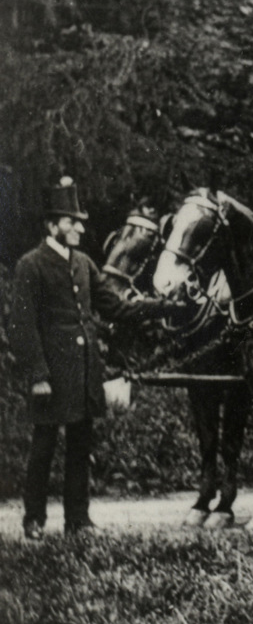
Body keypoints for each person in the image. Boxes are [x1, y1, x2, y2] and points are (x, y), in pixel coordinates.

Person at [9, 178, 174, 539]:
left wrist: (165, 306)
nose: (80, 228)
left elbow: (114, 306)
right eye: (72, 221)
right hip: (51, 375)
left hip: (84, 374)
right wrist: (38, 374)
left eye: (81, 221)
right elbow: (22, 326)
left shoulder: (83, 263)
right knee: (43, 448)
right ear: (53, 225)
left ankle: (77, 521)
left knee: (81, 448)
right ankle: (33, 520)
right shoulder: (31, 265)